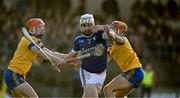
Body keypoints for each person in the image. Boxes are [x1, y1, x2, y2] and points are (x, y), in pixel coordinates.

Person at [3, 18, 64, 97]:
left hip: (18, 75)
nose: (42, 29)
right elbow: (39, 53)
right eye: (39, 27)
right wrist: (56, 60)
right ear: (32, 29)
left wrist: (68, 58)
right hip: (14, 74)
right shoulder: (27, 39)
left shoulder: (36, 41)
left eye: (42, 27)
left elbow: (50, 53)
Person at [63, 14, 118, 97]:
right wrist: (59, 61)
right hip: (87, 73)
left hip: (101, 73)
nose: (87, 27)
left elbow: (112, 37)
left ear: (94, 25)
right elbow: (71, 56)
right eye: (84, 25)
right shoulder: (78, 40)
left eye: (89, 25)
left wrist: (106, 29)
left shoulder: (100, 34)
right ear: (80, 26)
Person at [103, 21, 144, 98]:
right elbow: (106, 59)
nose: (111, 29)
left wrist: (108, 32)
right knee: (118, 96)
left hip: (134, 71)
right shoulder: (111, 47)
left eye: (113, 28)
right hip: (130, 72)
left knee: (108, 89)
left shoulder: (122, 39)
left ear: (120, 30)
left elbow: (114, 37)